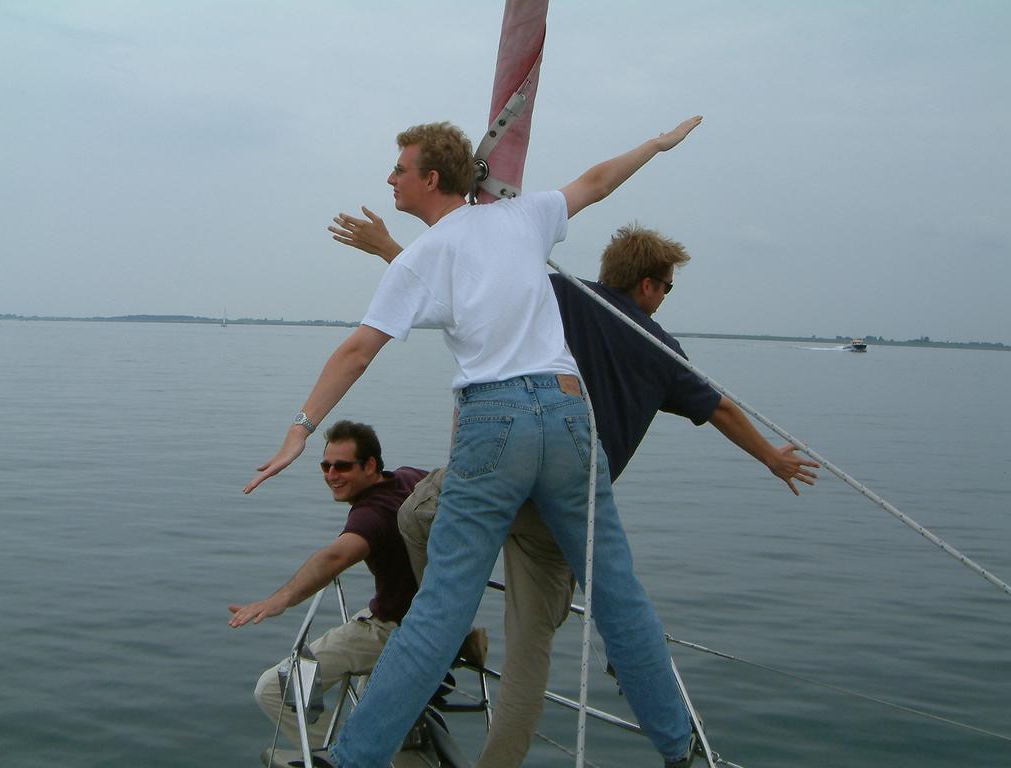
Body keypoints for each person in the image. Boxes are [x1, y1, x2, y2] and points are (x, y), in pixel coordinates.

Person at [245, 115, 707, 767]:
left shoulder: (421, 257)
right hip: (570, 416)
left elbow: (357, 350)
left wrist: (299, 429)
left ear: (431, 178)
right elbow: (598, 181)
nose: (390, 179)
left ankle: (353, 760)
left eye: (399, 169)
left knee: (439, 611)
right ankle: (680, 749)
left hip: (494, 423)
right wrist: (655, 146)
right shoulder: (524, 217)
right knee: (618, 594)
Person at [335, 216, 820, 767]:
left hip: (499, 473)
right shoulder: (658, 347)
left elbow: (464, 293)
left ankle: (448, 632)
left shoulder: (557, 293)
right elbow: (722, 409)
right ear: (647, 285)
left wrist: (387, 247)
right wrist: (772, 458)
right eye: (667, 287)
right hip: (565, 508)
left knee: (415, 516)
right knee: (529, 654)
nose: (665, 298)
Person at [230, 420, 426, 750]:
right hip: (431, 616)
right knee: (367, 688)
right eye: (326, 465)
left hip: (395, 628)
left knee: (274, 690)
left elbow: (335, 557)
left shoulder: (371, 514)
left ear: (370, 465)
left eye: (343, 466)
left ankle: (341, 756)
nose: (332, 475)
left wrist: (280, 600)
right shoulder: (409, 478)